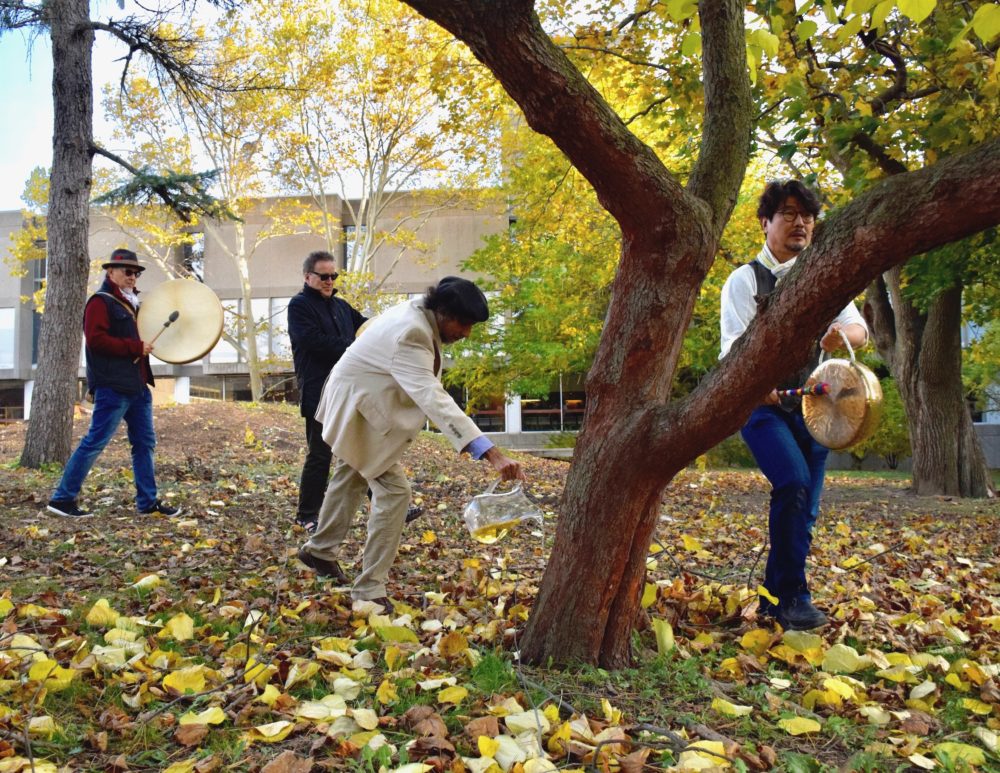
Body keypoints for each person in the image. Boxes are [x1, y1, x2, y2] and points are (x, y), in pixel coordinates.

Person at [297, 276, 525, 612]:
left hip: (357, 398)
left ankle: (318, 552)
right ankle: (369, 591)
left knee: (353, 473)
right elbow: (433, 397)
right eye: (464, 324)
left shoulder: (418, 314)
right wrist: (489, 451)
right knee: (395, 494)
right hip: (358, 406)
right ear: (444, 313)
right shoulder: (412, 333)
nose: (466, 333)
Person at [719, 180, 868, 631]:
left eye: (806, 215)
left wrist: (838, 337)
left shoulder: (826, 277)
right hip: (762, 411)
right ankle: (794, 598)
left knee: (805, 510)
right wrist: (758, 383)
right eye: (787, 213)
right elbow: (732, 352)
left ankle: (773, 598)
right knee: (794, 482)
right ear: (765, 223)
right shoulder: (745, 280)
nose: (799, 222)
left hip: (817, 412)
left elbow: (860, 332)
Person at [47, 249, 180, 519]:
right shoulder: (100, 302)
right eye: (127, 272)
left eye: (136, 272)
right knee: (95, 442)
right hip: (113, 386)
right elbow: (95, 341)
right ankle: (62, 500)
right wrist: (135, 347)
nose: (133, 277)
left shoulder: (135, 304)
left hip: (138, 386)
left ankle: (147, 502)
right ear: (111, 272)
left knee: (144, 443)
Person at [287, 251, 368, 532]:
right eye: (324, 276)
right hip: (319, 392)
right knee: (320, 455)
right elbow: (311, 341)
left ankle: (387, 502)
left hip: (349, 391)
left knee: (362, 449)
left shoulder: (342, 307)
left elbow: (367, 328)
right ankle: (306, 515)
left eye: (333, 276)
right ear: (308, 276)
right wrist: (352, 347)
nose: (329, 281)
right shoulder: (298, 306)